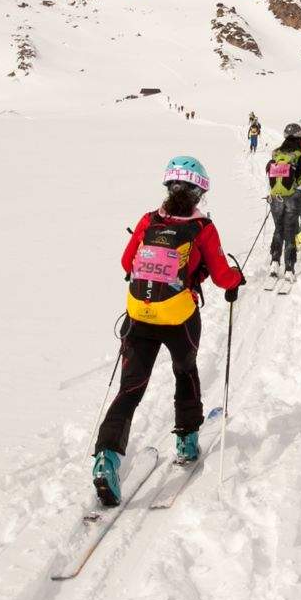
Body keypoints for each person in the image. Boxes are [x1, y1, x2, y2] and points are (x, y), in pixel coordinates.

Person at [95, 155, 242, 505]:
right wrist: (236, 279)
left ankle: (106, 459)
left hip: (139, 315)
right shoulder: (203, 227)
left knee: (130, 389)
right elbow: (222, 276)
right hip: (179, 318)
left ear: (168, 186)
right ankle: (187, 441)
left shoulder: (149, 221)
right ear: (199, 192)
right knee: (185, 371)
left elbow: (126, 262)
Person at [263, 121, 301, 277]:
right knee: (290, 231)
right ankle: (289, 269)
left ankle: (274, 263)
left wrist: (271, 194)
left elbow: (269, 175)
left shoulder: (276, 153)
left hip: (275, 197)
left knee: (278, 229)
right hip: (293, 197)